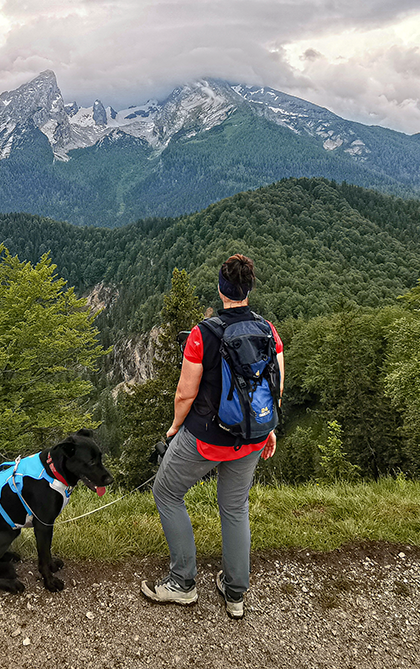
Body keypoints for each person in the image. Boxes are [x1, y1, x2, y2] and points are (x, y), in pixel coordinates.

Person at [140, 253, 283, 619]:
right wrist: (268, 430)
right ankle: (234, 593)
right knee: (235, 508)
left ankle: (182, 583)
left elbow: (185, 394)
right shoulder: (268, 331)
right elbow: (274, 387)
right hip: (250, 436)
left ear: (221, 289)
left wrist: (174, 428)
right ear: (248, 288)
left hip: (206, 437)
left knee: (167, 492)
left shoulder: (204, 333)